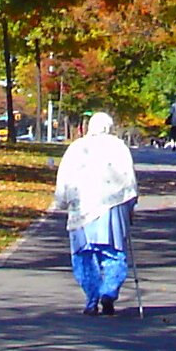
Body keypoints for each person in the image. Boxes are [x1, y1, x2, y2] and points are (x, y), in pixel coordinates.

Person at [52, 110, 138, 315]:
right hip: (112, 207)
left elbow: (65, 177)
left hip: (82, 208)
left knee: (84, 255)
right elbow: (129, 180)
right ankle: (109, 291)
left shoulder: (77, 147)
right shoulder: (118, 147)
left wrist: (61, 200)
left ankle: (92, 299)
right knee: (113, 252)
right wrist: (131, 205)